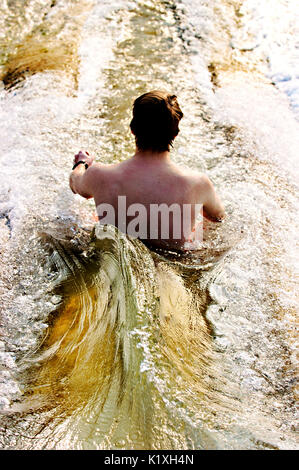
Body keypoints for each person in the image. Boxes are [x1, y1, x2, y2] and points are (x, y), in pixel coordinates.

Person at [69, 90, 225, 250]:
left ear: (132, 129)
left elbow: (75, 182)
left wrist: (82, 163)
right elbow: (218, 217)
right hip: (175, 266)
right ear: (175, 134)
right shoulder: (198, 184)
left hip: (116, 258)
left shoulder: (99, 175)